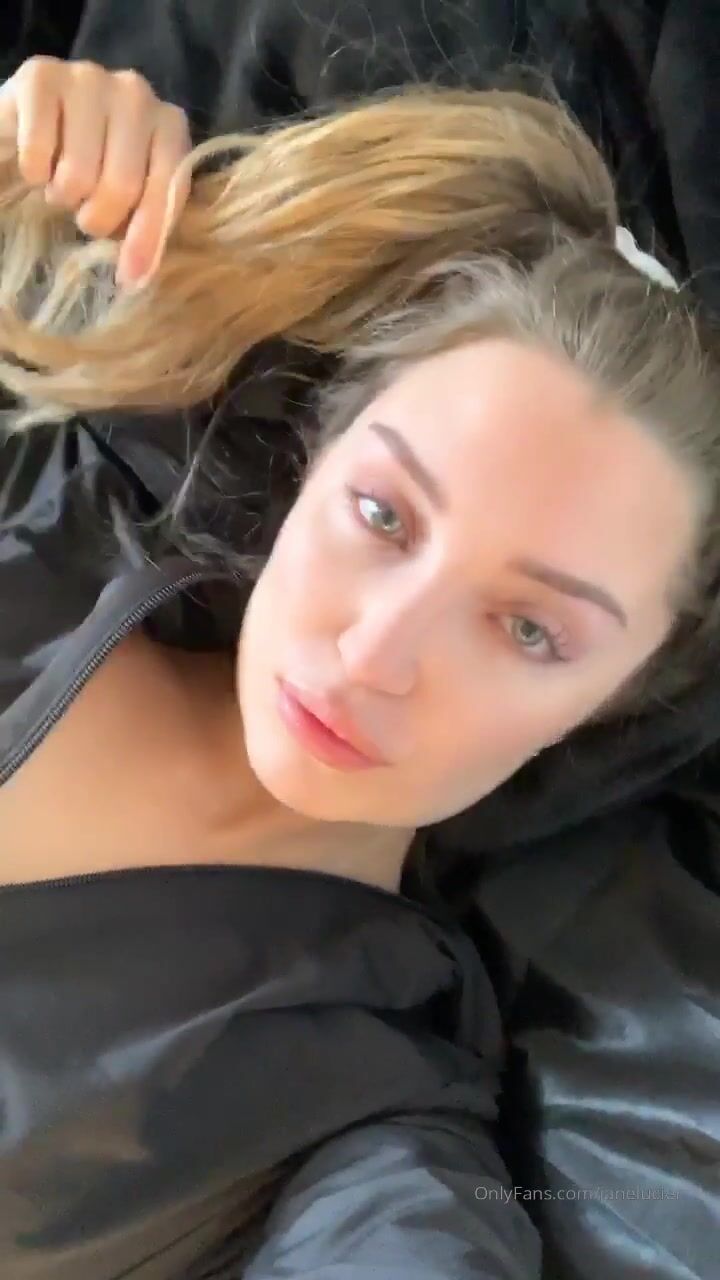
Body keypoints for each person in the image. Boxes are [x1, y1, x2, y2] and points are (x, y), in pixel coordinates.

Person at [0, 56, 718, 1279]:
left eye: (530, 629)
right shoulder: (41, 513)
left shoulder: (366, 1115)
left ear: (613, 696)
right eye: (384, 515)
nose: (376, 653)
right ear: (315, 460)